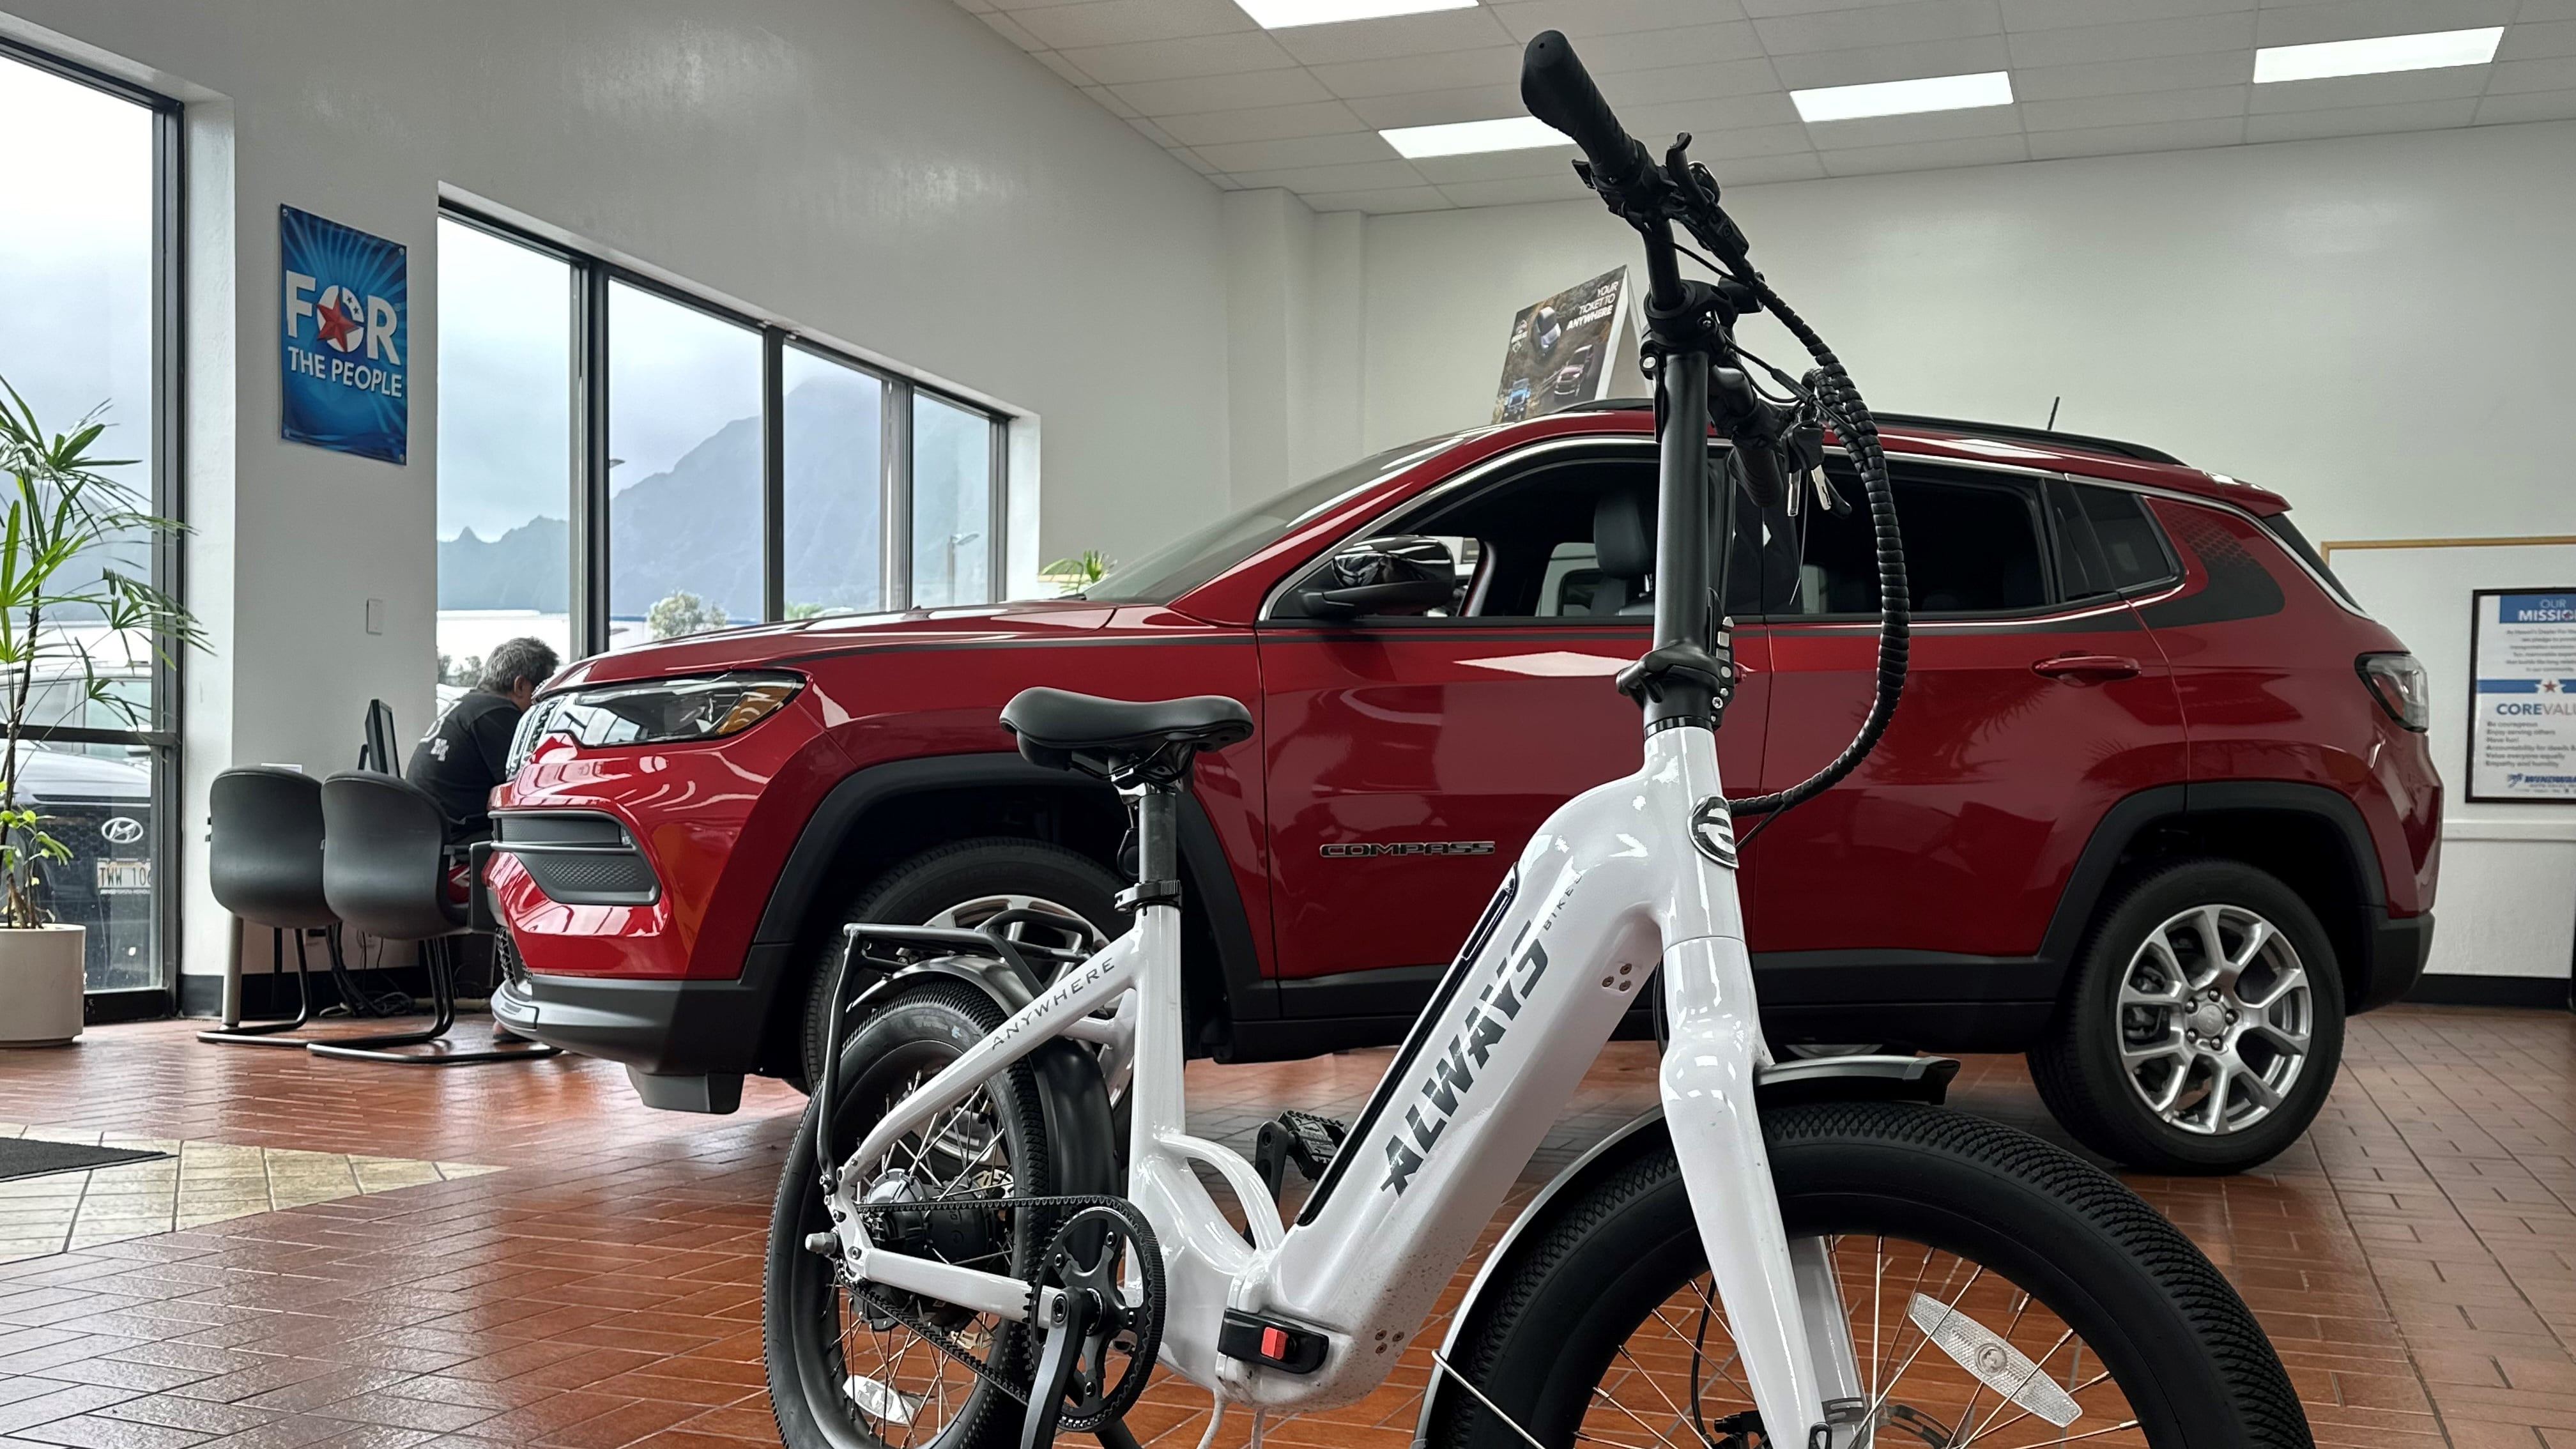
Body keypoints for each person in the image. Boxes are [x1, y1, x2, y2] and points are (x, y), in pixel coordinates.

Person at [408, 636, 558, 841]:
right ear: (521, 686)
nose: (545, 703)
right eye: (543, 691)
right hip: (460, 833)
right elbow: (528, 785)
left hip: (431, 829)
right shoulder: (498, 714)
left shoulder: (472, 706)